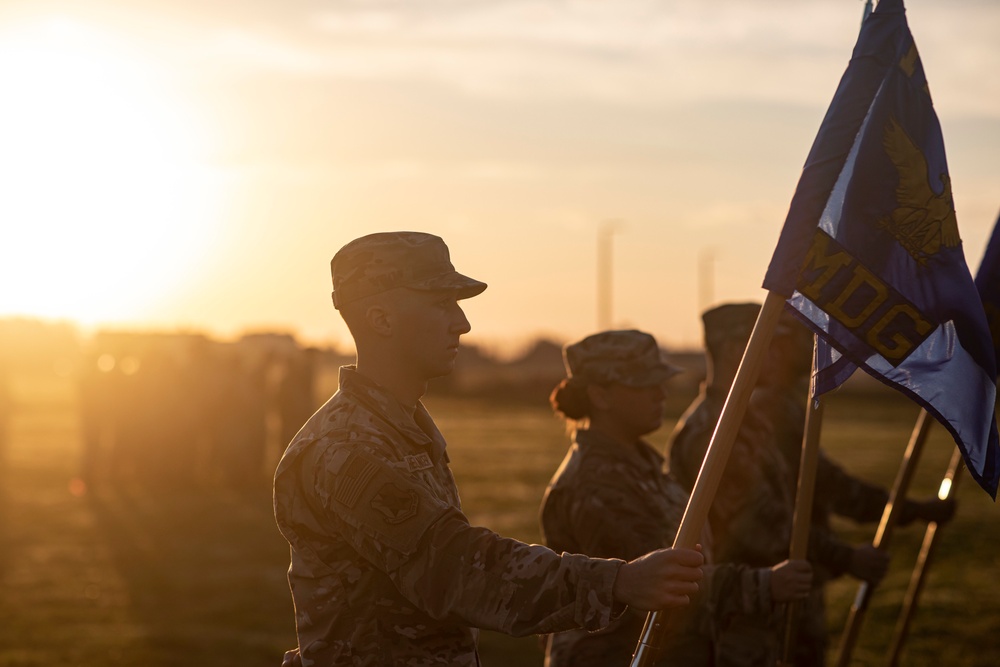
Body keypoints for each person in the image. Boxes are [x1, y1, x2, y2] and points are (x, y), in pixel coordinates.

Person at [273, 232, 705, 667]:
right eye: (441, 302)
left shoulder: (400, 428)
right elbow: (454, 567)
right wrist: (617, 581)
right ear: (381, 319)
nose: (462, 323)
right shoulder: (346, 448)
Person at [669, 303, 954, 667]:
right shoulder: (712, 433)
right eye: (770, 345)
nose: (780, 357)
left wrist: (908, 511)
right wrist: (847, 557)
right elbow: (761, 524)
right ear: (734, 351)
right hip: (739, 624)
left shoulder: (753, 421)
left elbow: (821, 485)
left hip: (779, 611)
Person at [540, 329, 813, 667]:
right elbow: (659, 578)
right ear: (600, 396)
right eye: (643, 384)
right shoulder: (594, 483)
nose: (661, 392)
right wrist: (764, 584)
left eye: (660, 380)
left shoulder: (641, 466)